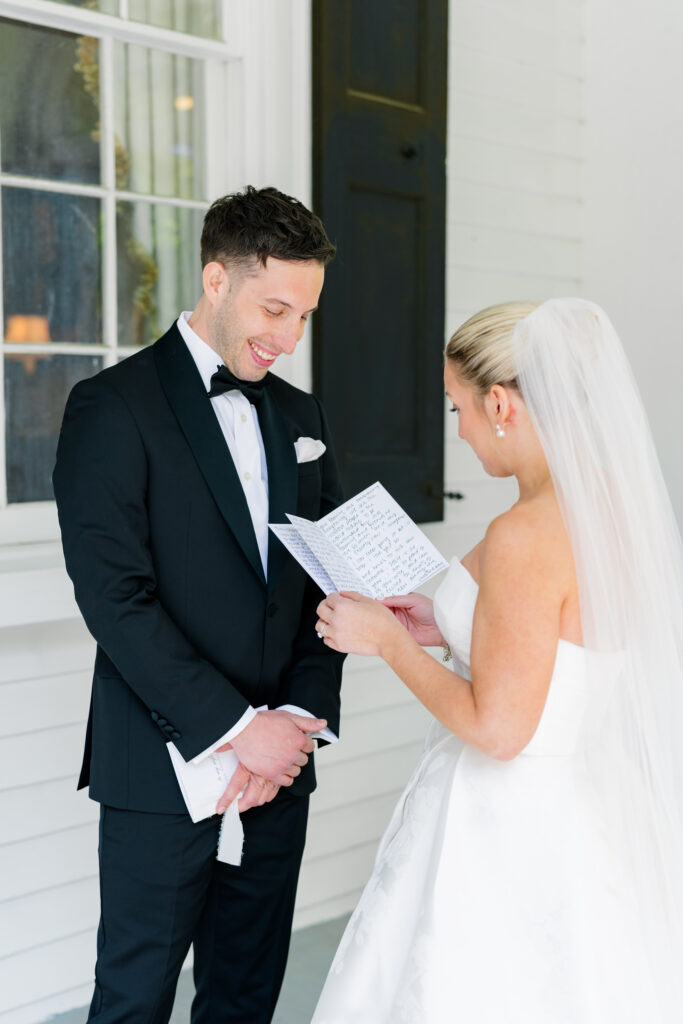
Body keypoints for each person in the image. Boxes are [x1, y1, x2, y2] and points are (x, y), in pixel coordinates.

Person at [312, 298, 683, 1023]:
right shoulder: (610, 507)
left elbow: (501, 731)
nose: (459, 431)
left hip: (503, 826)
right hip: (585, 813)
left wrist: (385, 642)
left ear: (500, 403)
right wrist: (436, 623)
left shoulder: (521, 532)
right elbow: (562, 649)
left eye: (458, 408)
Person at [52, 185, 345, 1024]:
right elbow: (116, 601)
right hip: (161, 769)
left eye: (304, 317)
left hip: (281, 768)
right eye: (274, 308)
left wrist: (291, 722)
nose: (288, 339)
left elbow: (325, 580)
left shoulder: (299, 412)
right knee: (134, 1000)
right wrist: (235, 730)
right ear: (217, 280)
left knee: (246, 997)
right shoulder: (112, 407)